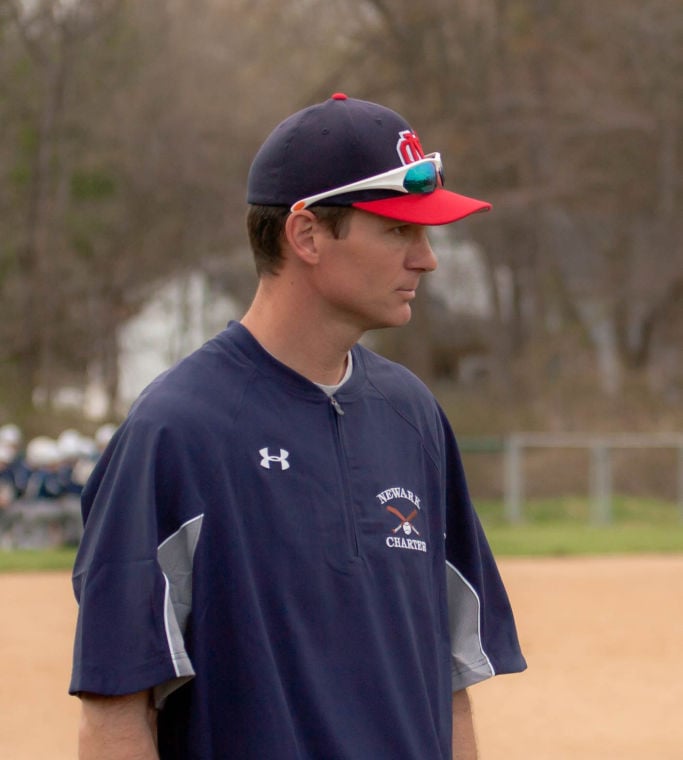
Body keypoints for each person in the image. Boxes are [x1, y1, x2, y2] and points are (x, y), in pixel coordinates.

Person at [70, 93, 526, 759]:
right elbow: (116, 713)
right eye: (398, 231)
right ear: (306, 234)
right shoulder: (175, 432)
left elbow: (449, 682)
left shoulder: (413, 415)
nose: (425, 259)